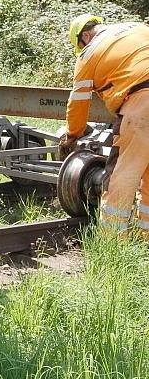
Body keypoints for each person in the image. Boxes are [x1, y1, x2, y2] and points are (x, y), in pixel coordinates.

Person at [59, 13, 149, 235]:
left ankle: (112, 241)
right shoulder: (137, 28)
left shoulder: (88, 55)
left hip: (142, 105)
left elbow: (78, 104)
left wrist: (72, 135)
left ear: (86, 36)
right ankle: (145, 236)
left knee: (122, 172)